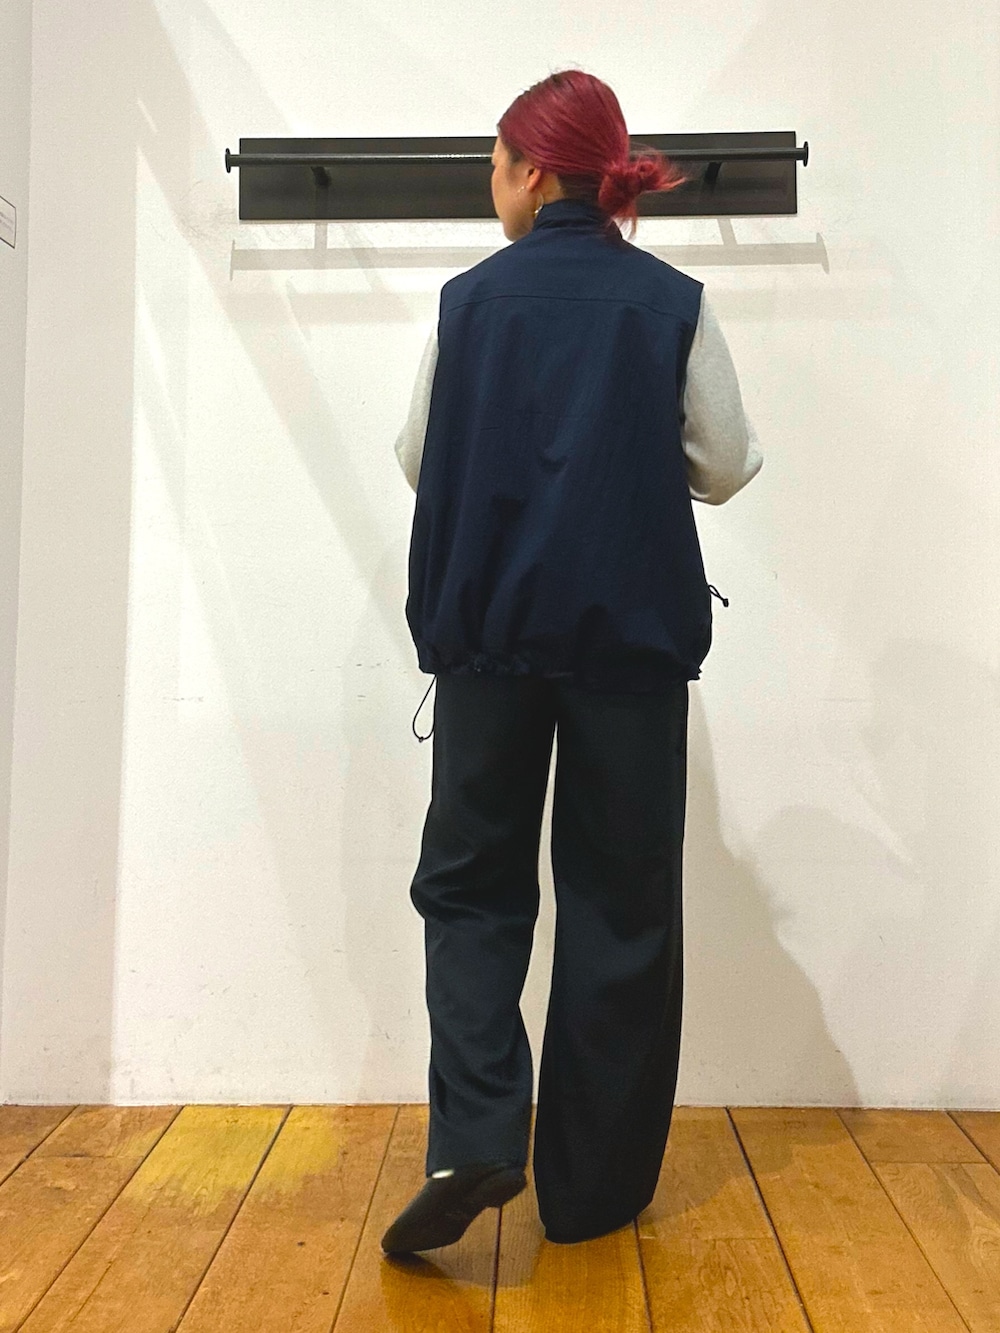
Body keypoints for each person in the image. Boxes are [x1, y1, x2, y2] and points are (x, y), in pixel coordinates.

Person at [381, 68, 762, 1256]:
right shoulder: (671, 304)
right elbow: (726, 464)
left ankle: (476, 1137)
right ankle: (590, 1194)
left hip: (487, 645)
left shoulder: (467, 305)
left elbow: (416, 458)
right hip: (627, 651)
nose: (490, 186)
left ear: (534, 170)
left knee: (471, 889)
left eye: (495, 164)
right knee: (620, 903)